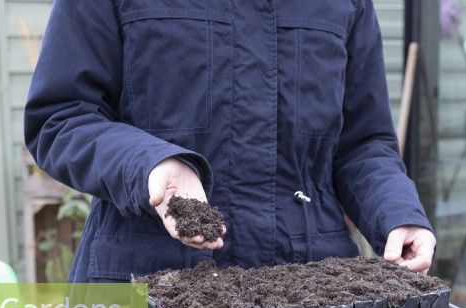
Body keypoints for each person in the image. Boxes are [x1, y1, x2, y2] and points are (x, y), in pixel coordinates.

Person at [25, 0, 436, 282]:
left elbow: (361, 142)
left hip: (307, 294)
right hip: (139, 284)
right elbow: (61, 117)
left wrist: (397, 213)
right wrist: (150, 165)